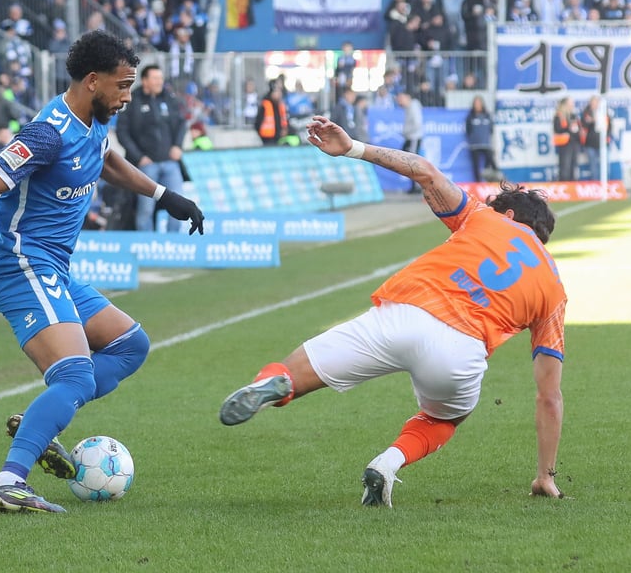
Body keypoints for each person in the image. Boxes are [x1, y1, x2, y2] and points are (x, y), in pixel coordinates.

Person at [0, 30, 205, 514]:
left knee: (130, 345)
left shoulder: (93, 119)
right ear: (93, 81)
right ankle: (10, 480)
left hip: (53, 266)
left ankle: (42, 420)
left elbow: (106, 161)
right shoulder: (46, 133)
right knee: (74, 376)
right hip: (20, 264)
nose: (127, 96)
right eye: (122, 85)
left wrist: (164, 197)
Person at [219, 115, 567, 508]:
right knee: (443, 419)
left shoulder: (484, 218)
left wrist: (352, 148)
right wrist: (544, 475)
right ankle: (388, 463)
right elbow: (548, 396)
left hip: (402, 313)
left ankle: (274, 383)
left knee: (293, 372)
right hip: (459, 352)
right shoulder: (554, 291)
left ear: (508, 215)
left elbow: (425, 171)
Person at [115, 65, 187, 233]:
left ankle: (173, 245)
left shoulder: (168, 99)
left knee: (178, 205)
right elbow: (122, 132)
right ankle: (146, 245)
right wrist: (138, 156)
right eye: (155, 78)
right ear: (145, 81)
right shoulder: (132, 100)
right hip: (146, 165)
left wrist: (177, 145)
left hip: (170, 163)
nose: (159, 82)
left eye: (160, 78)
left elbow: (181, 123)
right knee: (145, 209)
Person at [466, 94, 498, 182]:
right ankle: (478, 182)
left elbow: (491, 129)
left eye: (479, 103)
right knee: (475, 165)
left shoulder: (487, 115)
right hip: (474, 145)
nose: (477, 105)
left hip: (486, 144)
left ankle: (496, 179)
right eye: (476, 103)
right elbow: (468, 130)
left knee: (491, 161)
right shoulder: (470, 116)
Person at [395, 92, 423, 194]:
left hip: (413, 138)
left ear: (407, 97)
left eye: (400, 98)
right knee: (408, 162)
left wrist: (406, 132)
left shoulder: (413, 107)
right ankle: (414, 185)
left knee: (412, 162)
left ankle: (416, 186)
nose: (399, 101)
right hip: (410, 138)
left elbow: (417, 123)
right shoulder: (409, 107)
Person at [580, 95, 613, 181]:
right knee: (593, 165)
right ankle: (596, 184)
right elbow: (583, 125)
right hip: (590, 143)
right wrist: (591, 121)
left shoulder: (604, 112)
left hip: (603, 143)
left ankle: (606, 184)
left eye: (596, 102)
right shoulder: (586, 112)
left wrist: (607, 137)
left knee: (605, 164)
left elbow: (609, 126)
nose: (594, 104)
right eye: (592, 102)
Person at [552, 97, 580, 182]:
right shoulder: (559, 115)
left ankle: (572, 183)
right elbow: (557, 129)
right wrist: (568, 128)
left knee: (573, 164)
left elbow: (577, 128)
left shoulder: (573, 115)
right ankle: (564, 182)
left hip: (574, 142)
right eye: (570, 103)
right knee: (565, 165)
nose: (572, 105)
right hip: (564, 144)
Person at [254, 81, 289, 146]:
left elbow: (284, 119)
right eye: (277, 92)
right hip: (267, 138)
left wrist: (284, 129)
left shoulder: (280, 105)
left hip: (279, 137)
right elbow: (257, 122)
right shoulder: (265, 104)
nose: (279, 94)